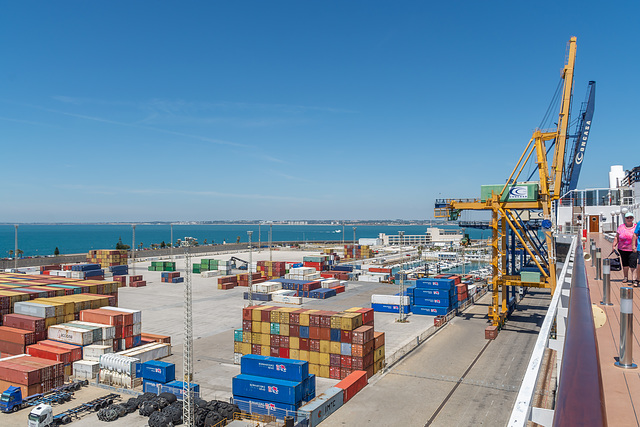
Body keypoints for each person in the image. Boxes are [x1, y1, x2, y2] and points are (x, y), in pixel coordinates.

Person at [613, 212, 638, 285]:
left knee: (633, 264)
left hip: (633, 248)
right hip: (622, 248)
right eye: (627, 218)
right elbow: (617, 237)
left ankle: (634, 279)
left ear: (633, 218)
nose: (629, 219)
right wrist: (613, 246)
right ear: (625, 219)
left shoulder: (636, 227)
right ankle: (625, 277)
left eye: (631, 217)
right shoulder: (621, 227)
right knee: (625, 264)